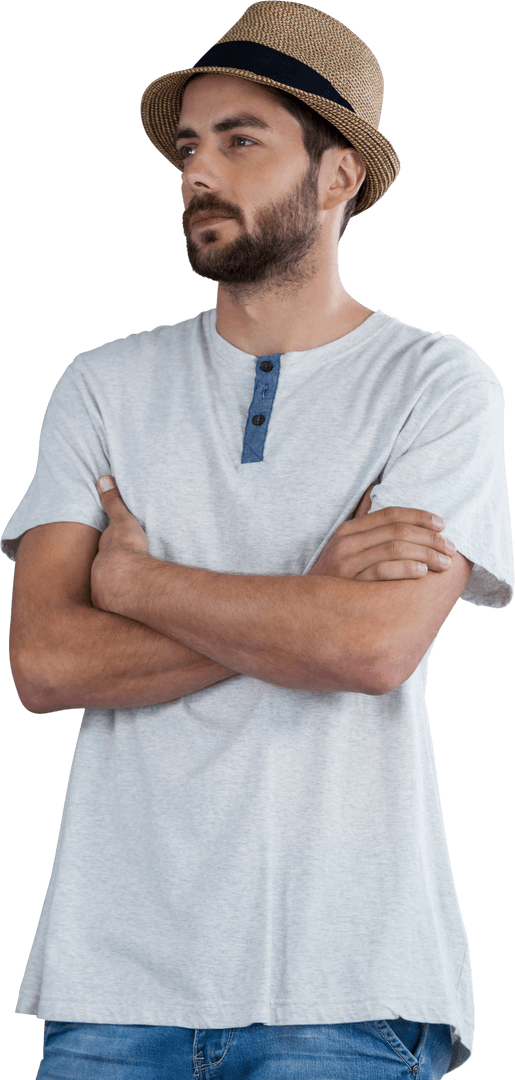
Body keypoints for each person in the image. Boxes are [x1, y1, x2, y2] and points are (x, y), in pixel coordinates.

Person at [2, 2, 513, 1078]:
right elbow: (46, 664)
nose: (198, 170)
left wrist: (134, 582)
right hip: (113, 983)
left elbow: (369, 652)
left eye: (242, 140)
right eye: (190, 146)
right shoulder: (101, 385)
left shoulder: (435, 384)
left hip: (350, 983)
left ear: (337, 179)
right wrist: (303, 599)